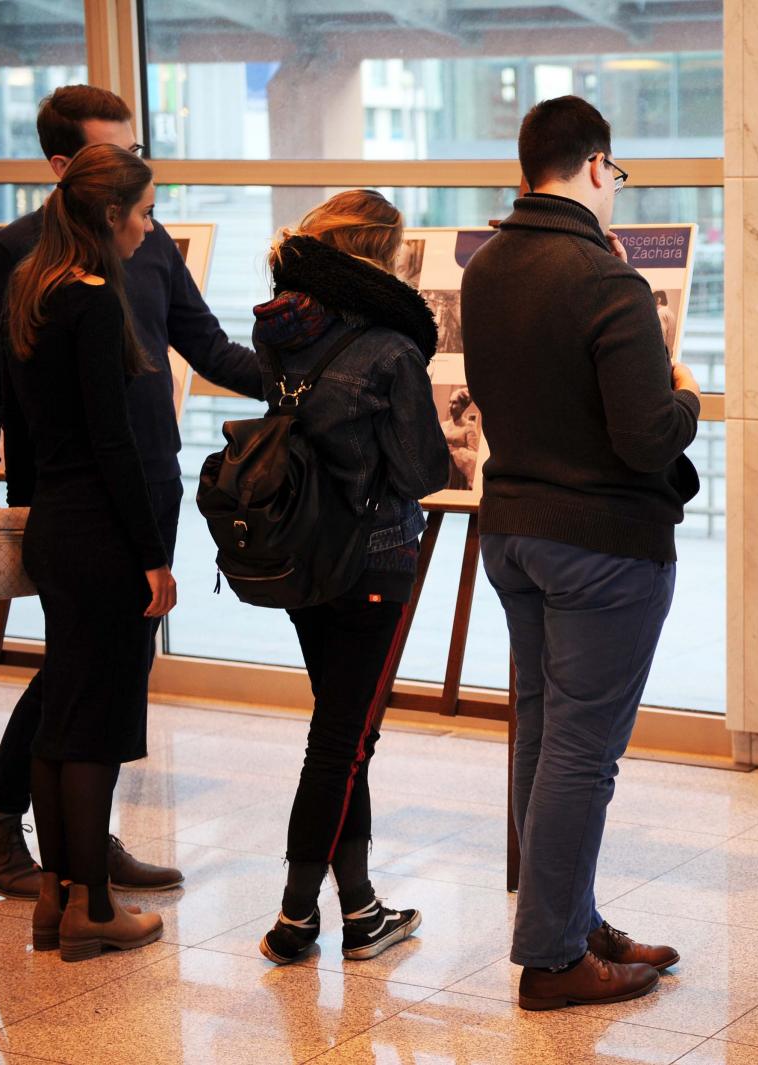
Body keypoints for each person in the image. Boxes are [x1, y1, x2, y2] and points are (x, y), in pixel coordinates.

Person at [0, 85, 261, 902]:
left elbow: (206, 345)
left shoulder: (149, 242)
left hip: (149, 479)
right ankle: (6, 816)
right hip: (74, 495)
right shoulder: (20, 255)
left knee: (111, 670)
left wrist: (301, 384)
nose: (138, 175)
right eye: (117, 155)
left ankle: (81, 841)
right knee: (78, 673)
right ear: (67, 167)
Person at [461, 96, 700, 1011]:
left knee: (545, 731)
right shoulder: (608, 280)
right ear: (598, 168)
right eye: (618, 175)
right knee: (580, 752)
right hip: (600, 545)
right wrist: (685, 394)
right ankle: (554, 959)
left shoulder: (487, 267)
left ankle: (568, 917)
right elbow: (648, 438)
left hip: (514, 530)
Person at [252, 190, 453, 966]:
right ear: (380, 256)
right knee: (339, 742)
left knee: (346, 736)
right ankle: (297, 917)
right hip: (375, 561)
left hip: (303, 556)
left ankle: (361, 907)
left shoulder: (280, 329)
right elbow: (421, 469)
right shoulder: (394, 351)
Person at [2, 143, 168, 959]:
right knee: (95, 725)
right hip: (101, 533)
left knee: (58, 721)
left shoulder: (33, 291)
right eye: (143, 211)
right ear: (110, 215)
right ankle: (94, 908)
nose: (149, 225)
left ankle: (53, 898)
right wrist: (152, 555)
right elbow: (116, 443)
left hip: (52, 529)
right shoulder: (97, 301)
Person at [441, 387, 480, 491]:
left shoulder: (469, 426)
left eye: (455, 403)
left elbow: (473, 454)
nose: (450, 406)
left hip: (457, 474)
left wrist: (455, 453)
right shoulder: (443, 425)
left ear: (463, 407)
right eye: (450, 402)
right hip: (441, 468)